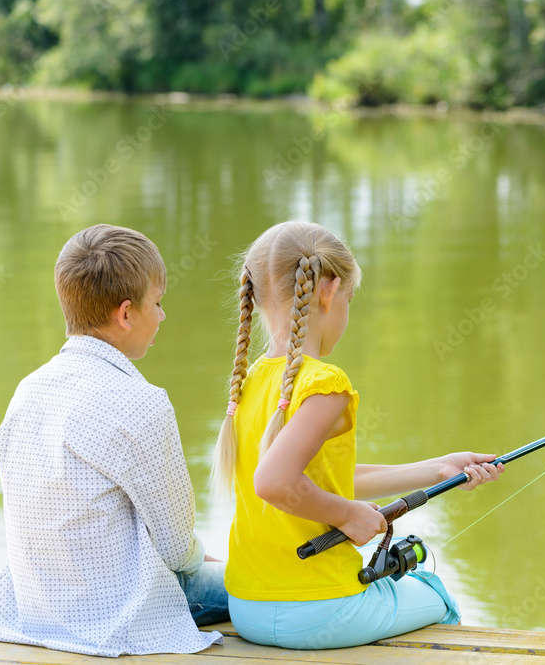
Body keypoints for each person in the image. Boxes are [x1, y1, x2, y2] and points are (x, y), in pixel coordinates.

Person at [214, 221, 504, 649]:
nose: (347, 309)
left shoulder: (250, 381)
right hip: (322, 610)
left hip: (247, 606)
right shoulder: (325, 384)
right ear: (329, 292)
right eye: (349, 298)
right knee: (438, 596)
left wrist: (438, 468)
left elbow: (309, 483)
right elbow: (274, 482)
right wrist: (347, 515)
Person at [0, 224, 227, 657]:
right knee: (258, 582)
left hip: (39, 604)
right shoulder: (143, 403)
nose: (162, 315)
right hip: (116, 613)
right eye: (157, 304)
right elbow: (178, 550)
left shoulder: (28, 390)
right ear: (126, 314)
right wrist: (203, 560)